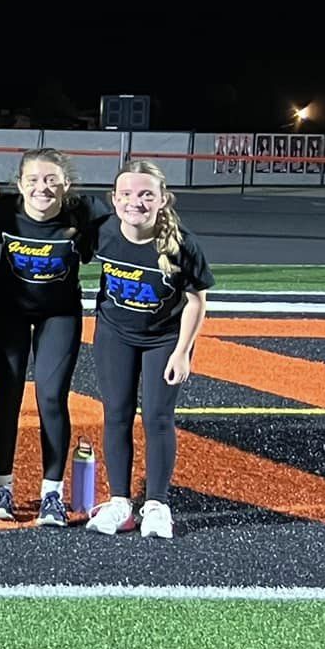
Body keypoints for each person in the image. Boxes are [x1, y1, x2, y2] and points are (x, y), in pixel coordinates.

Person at [0, 148, 108, 526]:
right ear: (19, 184)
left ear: (66, 184)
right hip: (7, 311)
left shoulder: (84, 212)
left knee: (51, 397)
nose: (42, 187)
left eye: (52, 179)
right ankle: (2, 488)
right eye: (33, 180)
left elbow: (129, 227)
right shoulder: (2, 210)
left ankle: (52, 493)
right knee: (7, 395)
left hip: (59, 314)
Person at [87, 162, 213, 540]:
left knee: (158, 417)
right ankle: (120, 502)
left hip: (163, 340)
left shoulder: (181, 242)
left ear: (162, 199)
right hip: (115, 335)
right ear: (113, 199)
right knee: (117, 415)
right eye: (125, 194)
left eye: (145, 195)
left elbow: (196, 302)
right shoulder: (103, 231)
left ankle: (157, 505)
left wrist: (182, 352)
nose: (135, 202)